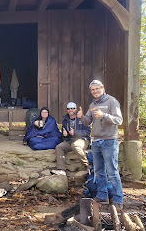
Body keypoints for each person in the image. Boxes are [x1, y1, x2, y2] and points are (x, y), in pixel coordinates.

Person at [78, 80, 124, 209]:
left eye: (97, 89)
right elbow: (88, 121)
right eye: (92, 90)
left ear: (103, 88)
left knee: (112, 172)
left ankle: (118, 200)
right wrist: (81, 117)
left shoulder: (112, 101)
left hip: (109, 141)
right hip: (96, 141)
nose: (95, 92)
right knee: (99, 171)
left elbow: (119, 120)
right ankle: (102, 196)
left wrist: (104, 115)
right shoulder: (92, 104)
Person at [52, 102, 91, 176]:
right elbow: (64, 135)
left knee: (75, 145)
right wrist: (65, 135)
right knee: (59, 147)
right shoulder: (65, 120)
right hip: (70, 140)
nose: (70, 110)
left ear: (75, 109)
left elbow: (88, 132)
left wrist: (75, 132)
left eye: (72, 108)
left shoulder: (82, 118)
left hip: (82, 139)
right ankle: (61, 170)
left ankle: (87, 166)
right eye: (68, 108)